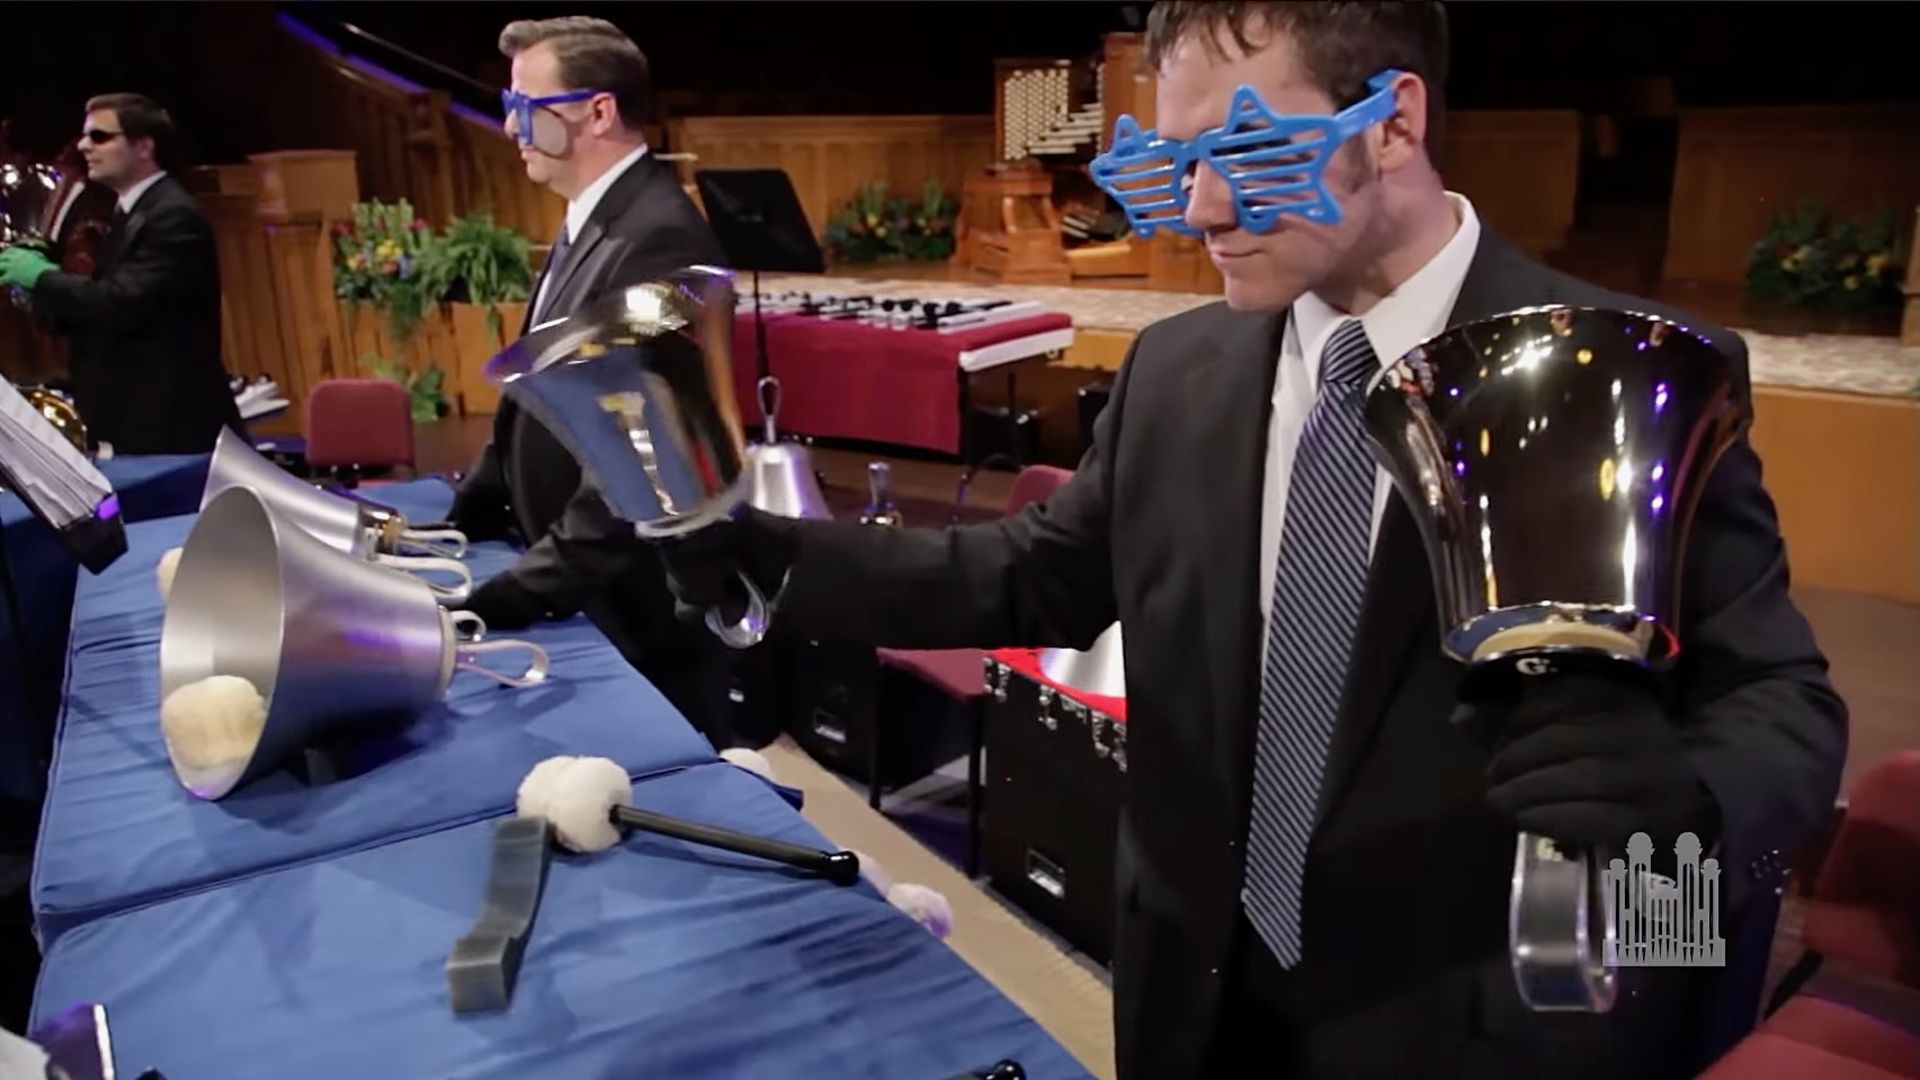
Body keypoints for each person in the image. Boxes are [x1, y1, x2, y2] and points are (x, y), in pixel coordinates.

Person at [653, 3, 1848, 1078]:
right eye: (1178, 164)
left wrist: (1689, 802)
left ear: (1395, 123)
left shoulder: (1616, 366)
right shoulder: (1180, 368)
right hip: (1192, 983)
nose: (1204, 210)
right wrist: (775, 557)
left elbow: (1779, 697)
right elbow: (1036, 574)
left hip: (1470, 1016)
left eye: (1250, 155)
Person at [448, 16, 736, 746]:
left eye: (525, 108)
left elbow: (636, 467)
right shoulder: (595, 217)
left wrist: (512, 596)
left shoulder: (659, 235)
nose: (509, 127)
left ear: (598, 111)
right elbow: (536, 397)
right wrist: (458, 524)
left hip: (633, 615)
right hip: (584, 586)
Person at [0, 94, 240, 455]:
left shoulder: (173, 216)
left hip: (174, 433)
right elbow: (100, 309)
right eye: (85, 136)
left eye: (99, 137)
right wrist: (38, 288)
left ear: (143, 146)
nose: (83, 146)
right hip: (138, 426)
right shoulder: (130, 212)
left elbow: (122, 304)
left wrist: (43, 277)